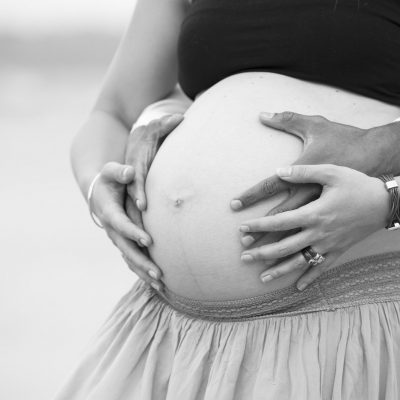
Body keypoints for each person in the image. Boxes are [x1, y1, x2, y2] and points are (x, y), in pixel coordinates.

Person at [55, 0, 400, 398]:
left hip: (351, 334)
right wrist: (100, 184)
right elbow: (113, 112)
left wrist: (387, 203)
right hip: (179, 344)